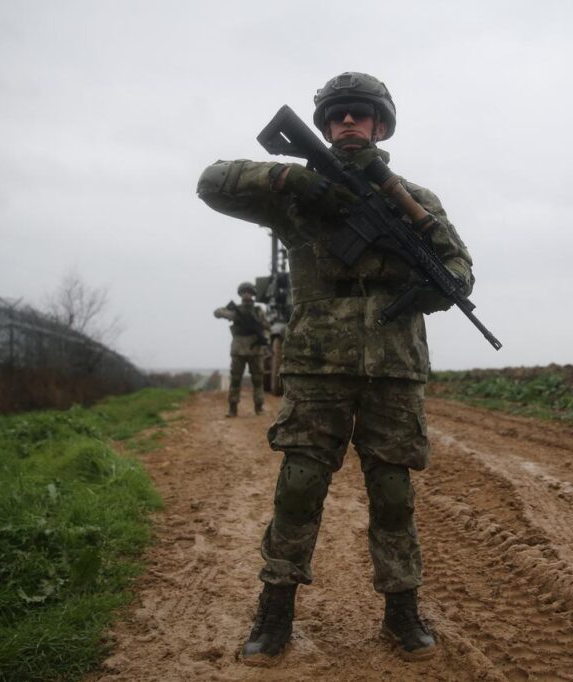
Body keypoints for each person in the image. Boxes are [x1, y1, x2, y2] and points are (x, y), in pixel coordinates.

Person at [196, 72, 474, 665]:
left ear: (380, 124)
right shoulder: (299, 192)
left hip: (394, 368)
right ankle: (275, 612)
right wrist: (289, 175)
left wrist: (423, 283)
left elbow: (459, 270)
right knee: (298, 488)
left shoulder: (415, 200)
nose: (348, 122)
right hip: (317, 366)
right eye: (337, 115)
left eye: (360, 114)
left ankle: (401, 610)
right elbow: (212, 182)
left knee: (393, 492)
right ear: (324, 126)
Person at [214, 282, 270, 417]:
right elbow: (217, 312)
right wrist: (230, 315)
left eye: (249, 292)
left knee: (258, 379)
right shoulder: (235, 310)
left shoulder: (258, 311)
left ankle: (259, 407)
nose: (247, 294)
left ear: (253, 294)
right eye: (244, 292)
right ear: (240, 294)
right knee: (235, 379)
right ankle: (233, 408)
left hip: (255, 348)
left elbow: (267, 327)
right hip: (238, 348)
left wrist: (264, 338)